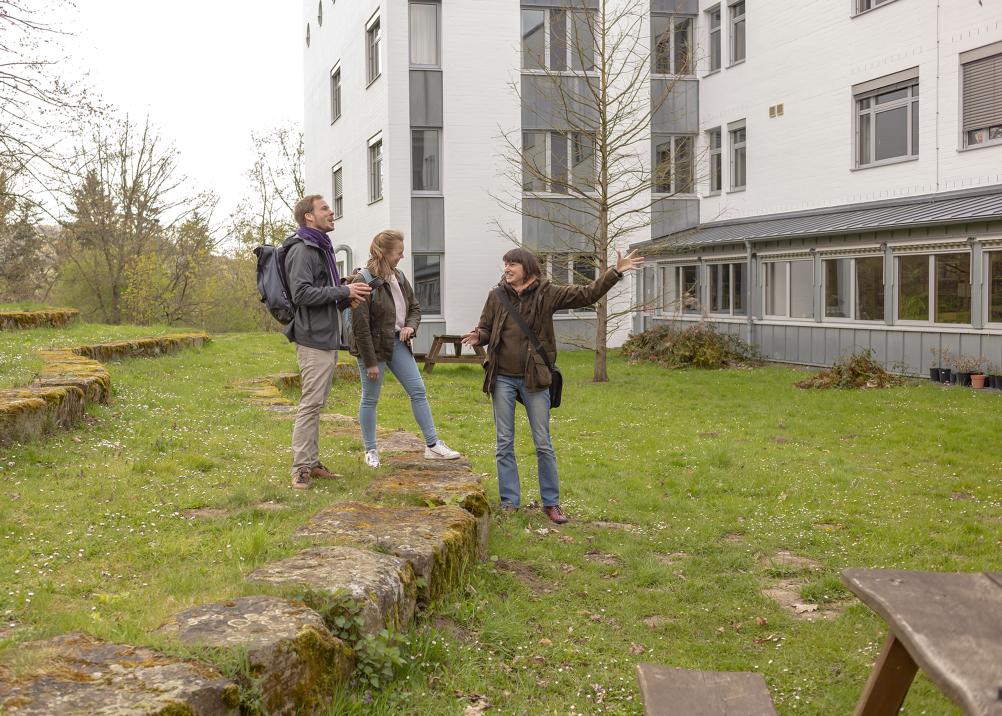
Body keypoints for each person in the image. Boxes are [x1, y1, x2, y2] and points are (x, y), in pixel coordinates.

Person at [461, 247, 644, 524]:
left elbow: (587, 294)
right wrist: (478, 336)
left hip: (535, 377)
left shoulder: (548, 293)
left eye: (512, 264)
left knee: (543, 443)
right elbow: (486, 328)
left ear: (527, 267)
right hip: (502, 379)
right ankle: (510, 502)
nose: (507, 269)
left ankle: (551, 503)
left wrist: (614, 272)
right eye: (505, 264)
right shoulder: (496, 296)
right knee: (504, 443)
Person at [350, 229, 461, 467]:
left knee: (418, 391)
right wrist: (370, 361)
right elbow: (361, 327)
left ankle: (432, 445)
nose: (402, 256)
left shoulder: (399, 277)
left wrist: (410, 327)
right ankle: (370, 451)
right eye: (399, 252)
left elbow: (415, 308)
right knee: (370, 398)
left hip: (398, 343)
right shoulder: (363, 281)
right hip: (374, 348)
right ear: (385, 253)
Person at [284, 194, 372, 489]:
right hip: (312, 339)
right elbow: (302, 294)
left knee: (317, 402)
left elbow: (323, 294)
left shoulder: (321, 247)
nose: (331, 212)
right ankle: (300, 469)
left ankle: (312, 462)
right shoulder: (303, 249)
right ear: (309, 216)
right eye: (324, 208)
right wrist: (342, 293)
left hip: (325, 336)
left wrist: (347, 295)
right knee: (310, 404)